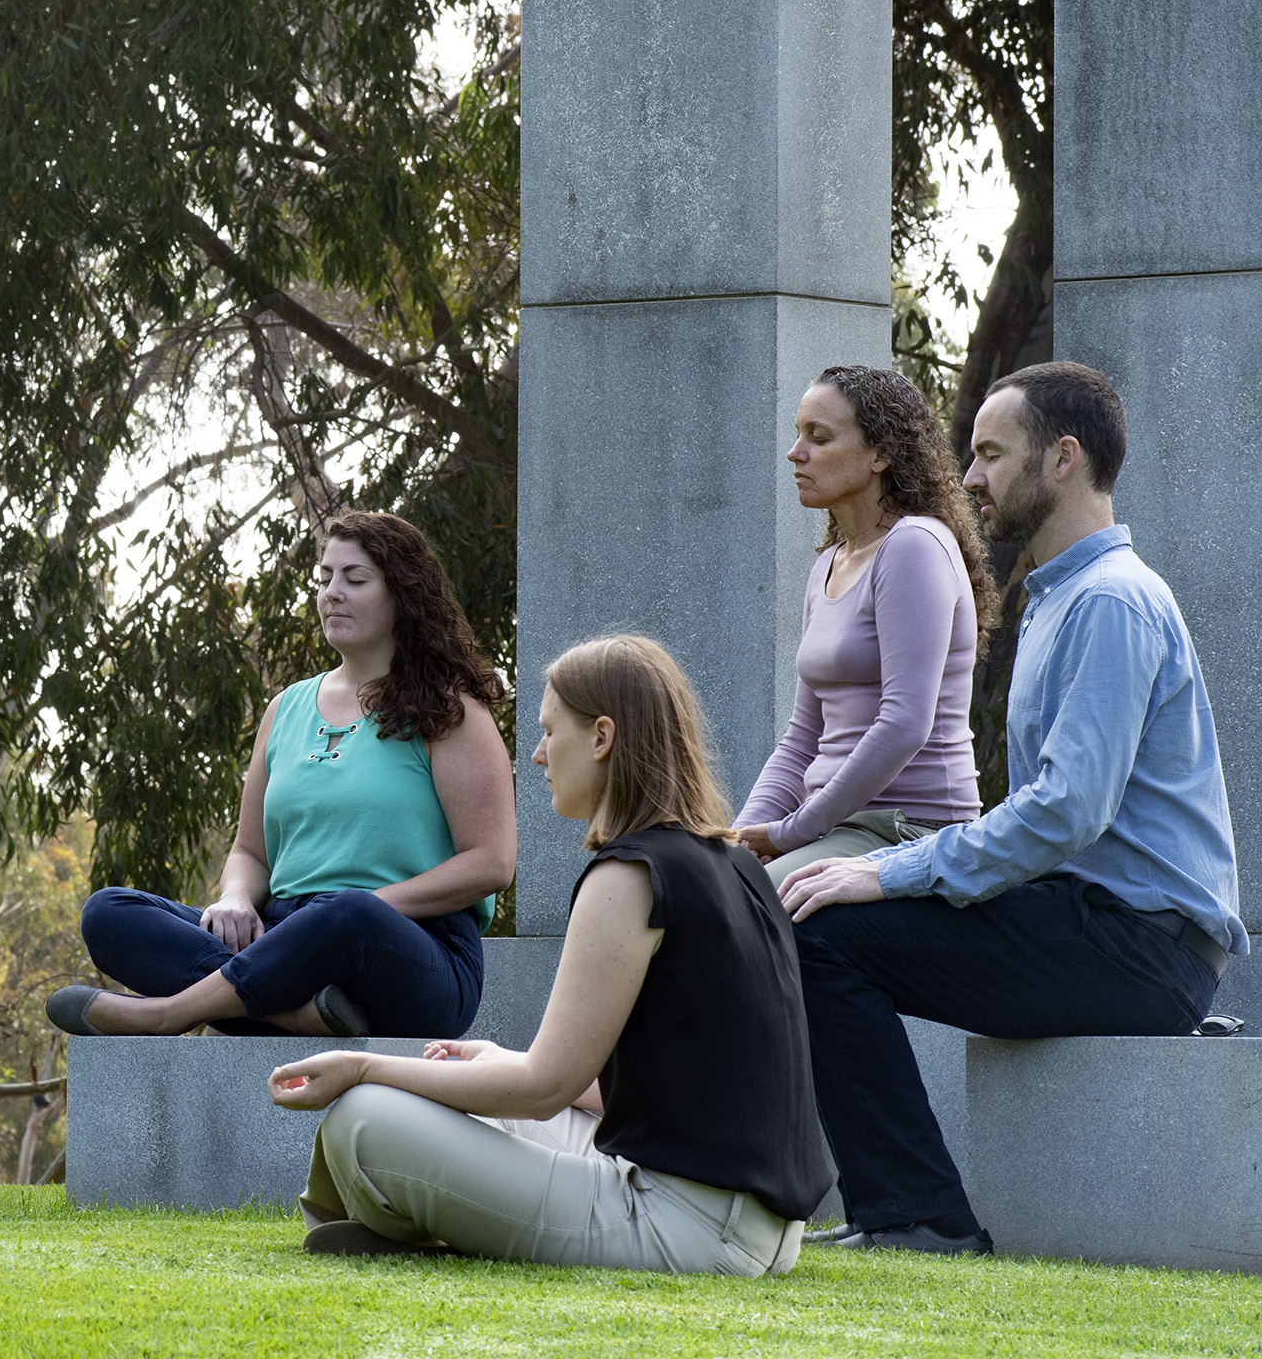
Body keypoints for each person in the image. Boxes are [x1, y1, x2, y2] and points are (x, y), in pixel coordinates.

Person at [782, 362, 1247, 1256]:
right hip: (1093, 922)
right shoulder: (1058, 598)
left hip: (1136, 945)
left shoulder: (1111, 601)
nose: (969, 478)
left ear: (1063, 458)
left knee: (823, 930)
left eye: (992, 454)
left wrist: (889, 869)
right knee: (821, 920)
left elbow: (1065, 811)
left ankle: (917, 1215)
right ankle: (907, 1208)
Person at [268, 635, 832, 1272]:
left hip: (685, 1226)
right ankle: (410, 1222)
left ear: (601, 737)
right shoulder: (734, 864)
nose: (536, 756)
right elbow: (663, 1086)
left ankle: (407, 1224)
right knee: (448, 1103)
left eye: (547, 731)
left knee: (361, 1117)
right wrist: (493, 1059)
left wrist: (364, 1066)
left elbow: (543, 1089)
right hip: (760, 1229)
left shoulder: (629, 875)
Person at [46, 510, 514, 1040]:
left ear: (403, 595)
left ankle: (168, 1013)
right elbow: (250, 853)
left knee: (347, 916)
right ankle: (297, 1014)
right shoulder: (286, 708)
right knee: (111, 912)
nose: (332, 593)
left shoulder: (450, 712)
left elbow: (491, 864)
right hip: (284, 929)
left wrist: (349, 915)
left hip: (406, 946)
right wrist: (236, 900)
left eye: (354, 579)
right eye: (324, 578)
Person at [736, 365, 997, 885]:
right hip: (834, 827)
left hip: (908, 829)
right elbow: (801, 738)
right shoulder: (829, 562)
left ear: (880, 454)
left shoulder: (914, 546)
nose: (795, 452)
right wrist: (739, 838)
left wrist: (793, 831)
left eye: (819, 437)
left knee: (743, 910)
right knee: (707, 889)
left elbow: (905, 725)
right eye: (797, 434)